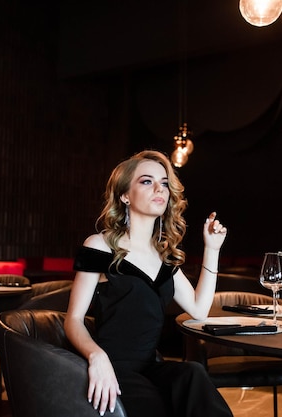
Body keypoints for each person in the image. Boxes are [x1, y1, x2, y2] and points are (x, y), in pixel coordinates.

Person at [65, 150, 233, 417]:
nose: (159, 189)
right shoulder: (100, 245)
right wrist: (96, 357)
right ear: (125, 195)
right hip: (114, 366)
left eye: (164, 183)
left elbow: (200, 310)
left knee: (192, 373)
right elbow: (73, 319)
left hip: (151, 367)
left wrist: (212, 249)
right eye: (146, 181)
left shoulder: (164, 256)